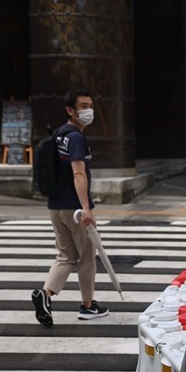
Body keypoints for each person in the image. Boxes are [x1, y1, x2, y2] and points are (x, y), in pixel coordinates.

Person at [32, 88, 109, 326]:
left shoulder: (58, 135)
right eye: (84, 106)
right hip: (74, 208)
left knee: (65, 255)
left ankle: (45, 294)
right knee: (87, 257)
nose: (89, 111)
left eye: (90, 106)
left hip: (55, 206)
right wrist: (87, 208)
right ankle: (88, 306)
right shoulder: (76, 137)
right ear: (70, 110)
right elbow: (79, 174)